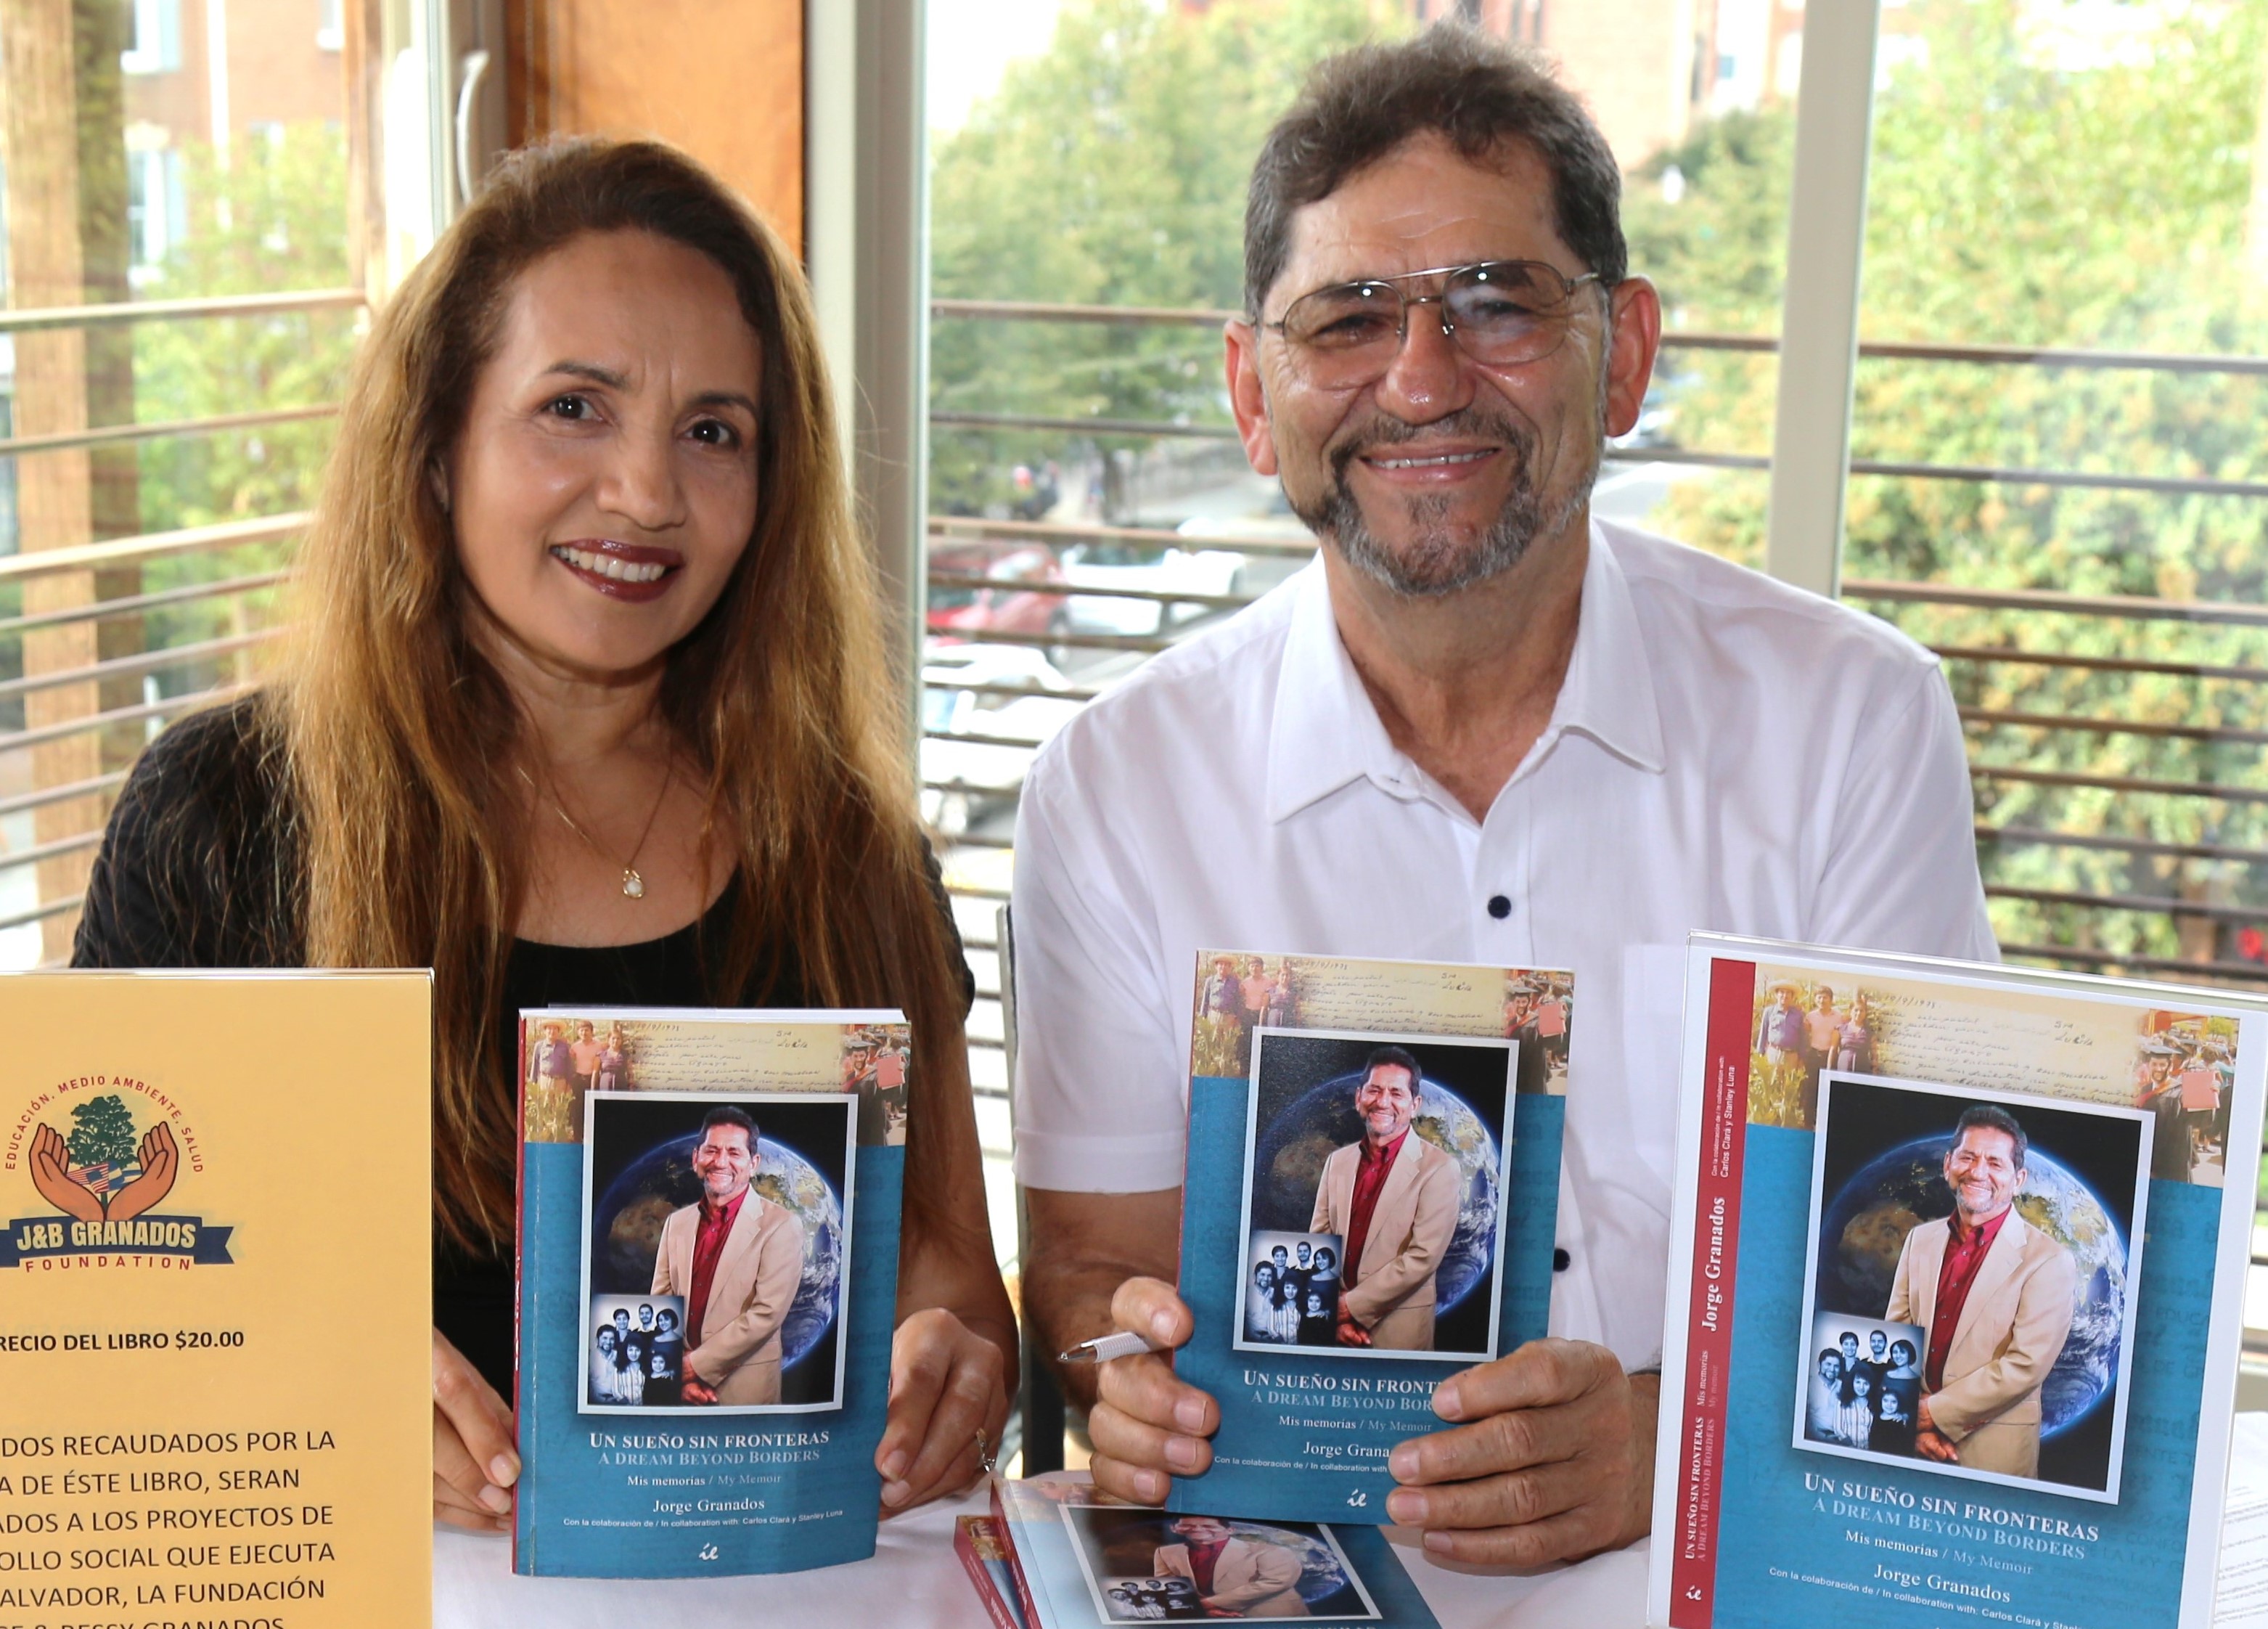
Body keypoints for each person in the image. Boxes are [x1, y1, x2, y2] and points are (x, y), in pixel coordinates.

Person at [1011, 26, 1995, 1564]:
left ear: (1624, 353)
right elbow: (1090, 1274)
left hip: (1730, 1563)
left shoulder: (1851, 724)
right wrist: (1122, 1382)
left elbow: (1930, 1253)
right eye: (1348, 318)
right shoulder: (1112, 786)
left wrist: (1677, 1444)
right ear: (1252, 394)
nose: (1420, 379)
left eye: (1496, 303)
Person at [70, 137, 1016, 1531]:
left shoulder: (849, 849)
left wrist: (959, 1370)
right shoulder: (223, 816)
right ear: (436, 447)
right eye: (574, 407)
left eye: (713, 431)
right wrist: (300, 1381)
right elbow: (88, 1306)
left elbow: (953, 1282)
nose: (646, 491)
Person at [1886, 1106, 2076, 1477]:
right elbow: (1896, 1336)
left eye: (1995, 1163)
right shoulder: (1919, 1240)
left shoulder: (2049, 1261)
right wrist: (1908, 1420)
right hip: (1911, 1444)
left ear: (2018, 1180)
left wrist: (1929, 1414)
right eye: (1968, 1157)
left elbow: (2025, 1366)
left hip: (1993, 1455)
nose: (1977, 1172)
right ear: (1948, 1165)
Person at [652, 1106, 804, 1405]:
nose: (720, 1162)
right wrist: (674, 1374)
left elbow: (767, 1314)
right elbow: (660, 1303)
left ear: (753, 1163)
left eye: (734, 1152)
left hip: (745, 1391)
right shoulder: (676, 1223)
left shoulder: (781, 1225)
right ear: (696, 1158)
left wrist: (692, 1367)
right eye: (711, 1150)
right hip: (679, 1388)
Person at [1309, 1048, 1459, 1350]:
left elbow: (1422, 1258)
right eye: (1374, 1090)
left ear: (1415, 1105)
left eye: (1396, 1093)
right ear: (1359, 1098)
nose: (1383, 1101)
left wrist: (1348, 1307)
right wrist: (1331, 1315)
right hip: (1333, 1327)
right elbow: (1319, 1240)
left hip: (1398, 1333)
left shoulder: (1440, 1168)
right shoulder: (1337, 1161)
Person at [1153, 1516, 1308, 1619]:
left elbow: (1276, 1582)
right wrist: (1203, 1611)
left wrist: (1207, 1604)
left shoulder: (1272, 1551)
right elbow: (1166, 1587)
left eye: (1208, 1526)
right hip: (1207, 1619)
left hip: (1269, 1619)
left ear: (1230, 1530)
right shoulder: (1165, 1552)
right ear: (1174, 1528)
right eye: (1187, 1525)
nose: (1198, 1529)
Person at [1805, 1350, 1846, 1443]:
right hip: (1815, 1436)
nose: (1832, 1369)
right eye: (1828, 1364)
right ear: (1819, 1365)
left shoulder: (1843, 1387)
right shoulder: (1809, 1385)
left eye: (1836, 1366)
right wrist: (1821, 1437)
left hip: (1840, 1437)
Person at [1245, 1262, 1285, 1344]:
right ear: (1255, 1275)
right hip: (1251, 1339)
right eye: (1262, 1275)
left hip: (1273, 1338)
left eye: (1269, 1276)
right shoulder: (1246, 1294)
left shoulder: (1276, 1293)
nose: (1266, 1279)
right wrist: (1257, 1338)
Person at [1838, 1369, 1878, 1451]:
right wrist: (1851, 1446)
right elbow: (1838, 1429)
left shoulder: (1875, 1404)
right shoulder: (1842, 1401)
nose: (1861, 1387)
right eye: (1858, 1382)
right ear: (1852, 1382)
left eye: (1866, 1384)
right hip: (1846, 1448)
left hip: (1869, 1449)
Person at [590, 1326, 621, 1405]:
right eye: (605, 1338)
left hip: (618, 1400)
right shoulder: (589, 1358)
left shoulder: (619, 1356)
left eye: (612, 1339)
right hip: (597, 1401)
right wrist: (602, 1400)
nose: (608, 1342)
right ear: (597, 1340)